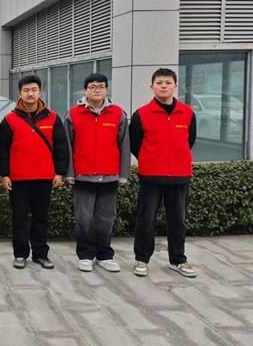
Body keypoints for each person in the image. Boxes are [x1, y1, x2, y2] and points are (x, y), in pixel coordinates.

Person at [0, 74, 68, 270]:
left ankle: (40, 254)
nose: (30, 94)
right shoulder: (10, 119)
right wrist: (4, 174)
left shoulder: (53, 118)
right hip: (18, 179)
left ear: (40, 92)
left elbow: (61, 147)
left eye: (34, 90)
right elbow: (2, 150)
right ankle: (20, 254)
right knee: (19, 218)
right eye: (26, 90)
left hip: (44, 177)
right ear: (19, 93)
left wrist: (60, 172)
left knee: (41, 218)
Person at [130, 68, 197, 278]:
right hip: (151, 176)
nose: (164, 86)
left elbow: (190, 140)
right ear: (152, 87)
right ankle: (142, 259)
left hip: (179, 176)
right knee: (145, 220)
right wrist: (151, 159)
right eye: (159, 83)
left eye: (168, 82)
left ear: (175, 86)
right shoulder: (141, 114)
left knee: (178, 221)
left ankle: (178, 259)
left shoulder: (187, 113)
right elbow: (135, 144)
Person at [64, 73, 130, 273]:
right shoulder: (73, 114)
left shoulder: (118, 114)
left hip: (109, 175)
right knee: (84, 218)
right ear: (85, 90)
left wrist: (123, 174)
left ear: (106, 90)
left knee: (106, 218)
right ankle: (85, 255)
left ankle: (105, 255)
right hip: (83, 175)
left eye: (101, 86)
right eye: (92, 87)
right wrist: (69, 173)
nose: (96, 90)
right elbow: (67, 146)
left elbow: (124, 145)